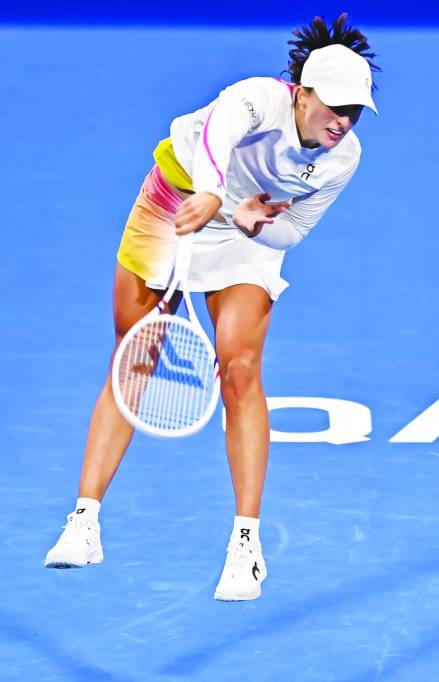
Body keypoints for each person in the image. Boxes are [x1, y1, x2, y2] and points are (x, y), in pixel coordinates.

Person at [43, 13, 379, 601]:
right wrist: (216, 192)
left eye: (354, 111)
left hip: (240, 233)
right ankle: (85, 522)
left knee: (241, 369)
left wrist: (252, 223)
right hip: (179, 200)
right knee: (135, 359)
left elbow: (294, 230)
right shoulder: (256, 99)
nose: (343, 121)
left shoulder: (342, 157)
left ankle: (246, 548)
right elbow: (220, 131)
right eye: (333, 106)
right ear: (301, 94)